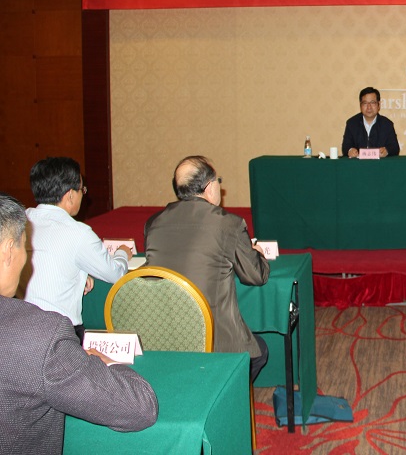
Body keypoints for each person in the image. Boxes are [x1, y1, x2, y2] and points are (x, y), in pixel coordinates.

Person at [0, 193, 158, 453]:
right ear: (8, 250)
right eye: (24, 248)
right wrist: (107, 362)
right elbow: (140, 408)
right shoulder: (40, 337)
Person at [144, 155, 270, 382]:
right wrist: (258, 254)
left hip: (164, 334)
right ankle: (222, 396)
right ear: (210, 186)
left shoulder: (154, 222)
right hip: (212, 337)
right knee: (260, 352)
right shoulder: (228, 223)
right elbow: (255, 276)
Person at [23, 157, 131, 343]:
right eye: (82, 190)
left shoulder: (20, 220)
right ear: (70, 195)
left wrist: (80, 274)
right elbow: (116, 275)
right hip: (59, 335)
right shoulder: (77, 232)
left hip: (18, 326)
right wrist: (122, 253)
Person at [342, 86, 400, 158]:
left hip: (380, 164)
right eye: (365, 103)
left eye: (372, 103)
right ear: (360, 105)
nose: (369, 107)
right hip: (358, 164)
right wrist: (350, 150)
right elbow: (345, 146)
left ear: (378, 105)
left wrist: (387, 150)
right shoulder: (352, 123)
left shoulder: (387, 124)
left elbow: (395, 147)